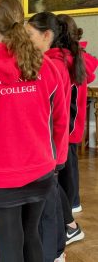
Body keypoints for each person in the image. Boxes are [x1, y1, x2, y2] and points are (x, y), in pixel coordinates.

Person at [0, 0, 68, 262]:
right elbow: (60, 121)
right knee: (32, 237)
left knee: (11, 246)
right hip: (41, 171)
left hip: (0, 177)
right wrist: (58, 160)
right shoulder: (47, 67)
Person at [26, 11, 72, 262]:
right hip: (51, 151)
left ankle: (52, 254)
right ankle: (56, 252)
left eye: (29, 34)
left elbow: (58, 118)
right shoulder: (53, 62)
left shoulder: (52, 66)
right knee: (50, 206)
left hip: (49, 152)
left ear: (47, 36)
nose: (25, 39)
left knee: (46, 212)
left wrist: (54, 155)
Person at [57, 13, 98, 215]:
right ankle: (73, 202)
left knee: (65, 169)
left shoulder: (60, 61)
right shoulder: (78, 58)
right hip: (74, 125)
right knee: (70, 167)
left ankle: (70, 205)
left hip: (63, 125)